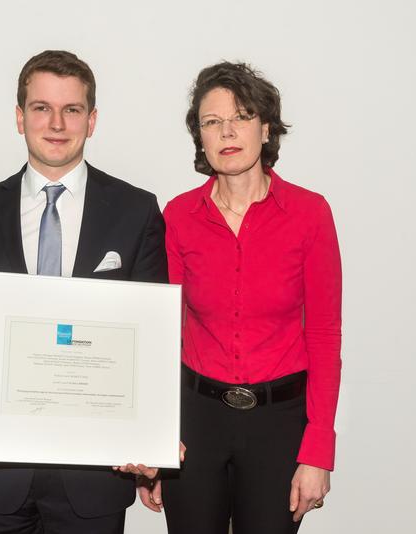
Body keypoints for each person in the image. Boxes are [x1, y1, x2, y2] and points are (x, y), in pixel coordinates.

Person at [0, 50, 168, 534]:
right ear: (19, 116)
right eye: (41, 107)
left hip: (96, 473)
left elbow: (152, 341)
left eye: (71, 110)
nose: (56, 123)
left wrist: (154, 445)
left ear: (91, 121)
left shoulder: (137, 210)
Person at [138, 62, 342, 534]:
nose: (227, 132)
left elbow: (326, 336)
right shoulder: (179, 215)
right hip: (195, 424)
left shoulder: (310, 214)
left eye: (242, 117)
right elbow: (163, 331)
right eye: (212, 122)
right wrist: (153, 434)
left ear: (265, 128)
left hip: (280, 424)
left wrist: (318, 451)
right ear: (200, 137)